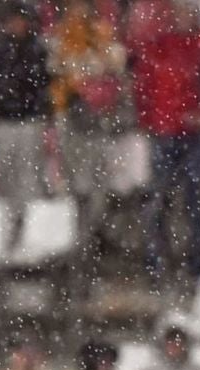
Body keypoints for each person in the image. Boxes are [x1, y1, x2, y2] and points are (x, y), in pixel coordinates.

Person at [131, 0, 200, 282]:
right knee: (158, 200)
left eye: (189, 13)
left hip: (196, 134)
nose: (184, 18)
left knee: (196, 199)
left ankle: (198, 262)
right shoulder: (158, 46)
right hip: (163, 133)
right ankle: (157, 263)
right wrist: (149, 122)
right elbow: (142, 88)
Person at [0, 2, 54, 200]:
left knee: (30, 176)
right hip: (3, 121)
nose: (14, 25)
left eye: (18, 20)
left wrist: (44, 113)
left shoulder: (36, 50)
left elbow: (44, 85)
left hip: (30, 120)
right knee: (4, 175)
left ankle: (30, 219)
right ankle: (9, 220)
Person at [49, 0, 129, 213]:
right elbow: (55, 69)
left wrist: (92, 71)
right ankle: (84, 226)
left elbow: (115, 64)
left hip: (97, 111)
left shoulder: (102, 32)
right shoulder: (59, 35)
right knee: (76, 174)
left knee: (99, 172)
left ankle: (97, 227)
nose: (77, 10)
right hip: (69, 110)